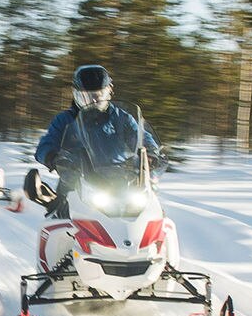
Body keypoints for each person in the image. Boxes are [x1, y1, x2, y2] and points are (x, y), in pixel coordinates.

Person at [25, 65, 165, 217]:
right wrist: (53, 157)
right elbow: (45, 145)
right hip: (78, 181)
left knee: (152, 214)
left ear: (109, 91)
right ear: (76, 95)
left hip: (123, 180)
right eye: (87, 97)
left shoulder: (121, 117)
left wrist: (150, 152)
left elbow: (141, 135)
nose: (94, 100)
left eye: (99, 95)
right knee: (59, 219)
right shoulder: (64, 120)